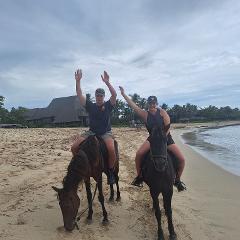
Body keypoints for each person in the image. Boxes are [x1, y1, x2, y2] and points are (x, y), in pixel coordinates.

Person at [119, 86, 186, 191]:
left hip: (166, 138)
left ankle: (177, 180)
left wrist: (163, 139)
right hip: (152, 139)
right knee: (139, 154)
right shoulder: (145, 114)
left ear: (157, 103)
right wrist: (123, 94)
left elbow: (168, 126)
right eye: (150, 103)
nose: (152, 105)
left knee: (182, 159)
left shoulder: (163, 112)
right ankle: (140, 177)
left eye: (154, 103)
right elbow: (133, 105)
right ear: (148, 104)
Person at [71, 69, 117, 185]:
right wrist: (78, 81)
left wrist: (107, 82)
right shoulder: (90, 106)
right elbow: (79, 94)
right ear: (95, 96)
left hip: (105, 133)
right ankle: (79, 165)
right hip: (91, 132)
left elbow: (114, 94)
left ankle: (111, 172)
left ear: (103, 96)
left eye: (101, 95)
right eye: (97, 95)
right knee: (74, 147)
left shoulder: (108, 105)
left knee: (111, 149)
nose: (99, 97)